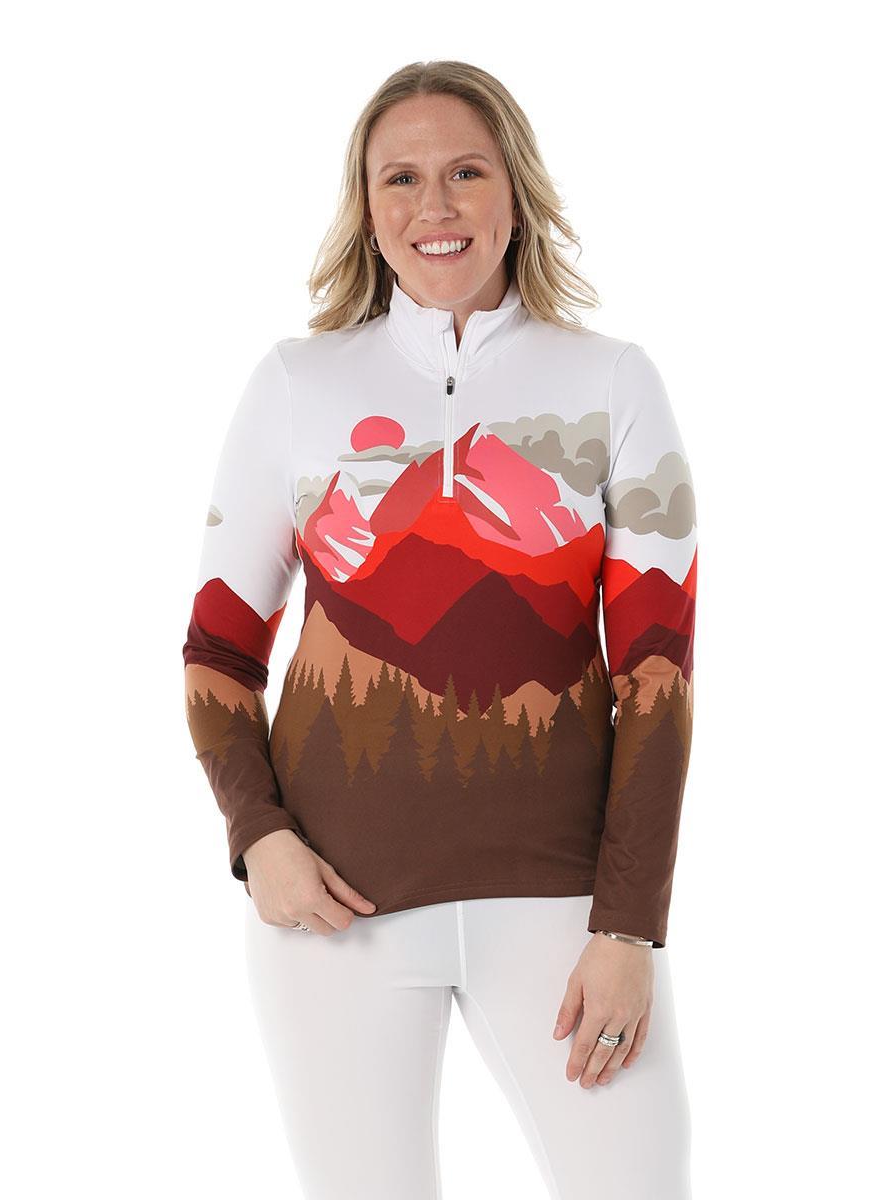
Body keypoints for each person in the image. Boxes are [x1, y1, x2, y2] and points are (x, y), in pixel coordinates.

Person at [182, 60, 697, 1200]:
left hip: (563, 905)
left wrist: (630, 928)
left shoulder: (612, 382)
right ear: (366, 208)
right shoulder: (295, 385)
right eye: (401, 178)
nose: (436, 206)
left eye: (466, 171)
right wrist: (259, 837)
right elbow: (218, 652)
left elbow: (657, 673)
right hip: (334, 910)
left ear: (515, 191)